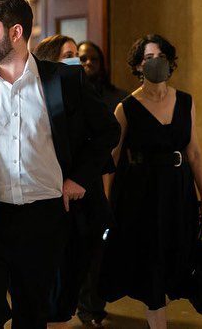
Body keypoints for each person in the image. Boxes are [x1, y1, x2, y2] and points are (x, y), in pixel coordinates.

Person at [0, 0, 120, 329]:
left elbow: (108, 131)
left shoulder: (64, 81)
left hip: (44, 218)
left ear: (16, 32)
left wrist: (80, 178)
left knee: (33, 314)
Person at [100, 34, 202, 329]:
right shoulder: (126, 108)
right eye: (148, 58)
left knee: (173, 257)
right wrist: (107, 205)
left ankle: (158, 310)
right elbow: (111, 160)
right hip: (140, 194)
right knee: (149, 261)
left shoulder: (185, 101)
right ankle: (157, 321)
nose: (154, 63)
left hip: (178, 190)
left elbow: (194, 153)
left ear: (170, 62)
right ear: (138, 66)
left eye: (160, 57)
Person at [33, 35, 123, 327]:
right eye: (69, 55)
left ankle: (86, 308)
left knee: (77, 270)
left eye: (78, 55)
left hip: (82, 197)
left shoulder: (82, 88)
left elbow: (108, 133)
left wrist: (79, 178)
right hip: (45, 198)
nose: (77, 62)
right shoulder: (35, 89)